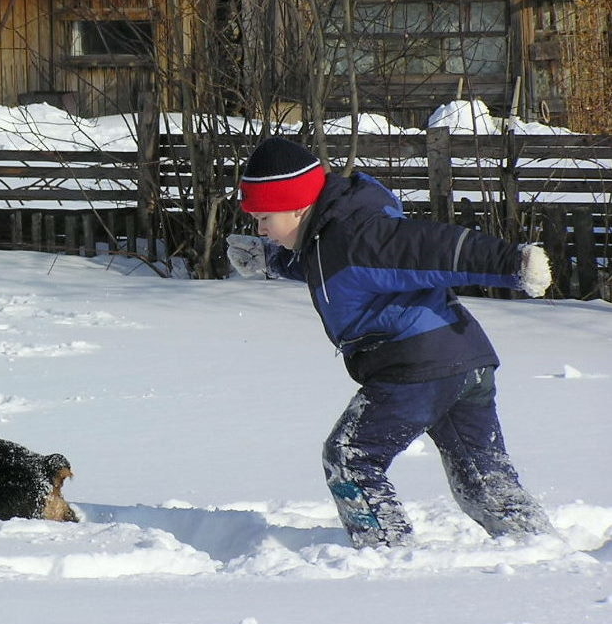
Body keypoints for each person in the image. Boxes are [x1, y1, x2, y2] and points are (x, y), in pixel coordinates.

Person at [226, 136, 555, 548]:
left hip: (417, 366)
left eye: (264, 218)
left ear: (296, 205)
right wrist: (270, 260)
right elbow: (331, 271)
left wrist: (512, 264)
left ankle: (385, 554)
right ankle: (538, 546)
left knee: (350, 457)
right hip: (461, 358)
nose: (260, 229)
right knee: (481, 478)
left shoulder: (358, 237)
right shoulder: (328, 236)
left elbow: (431, 249)